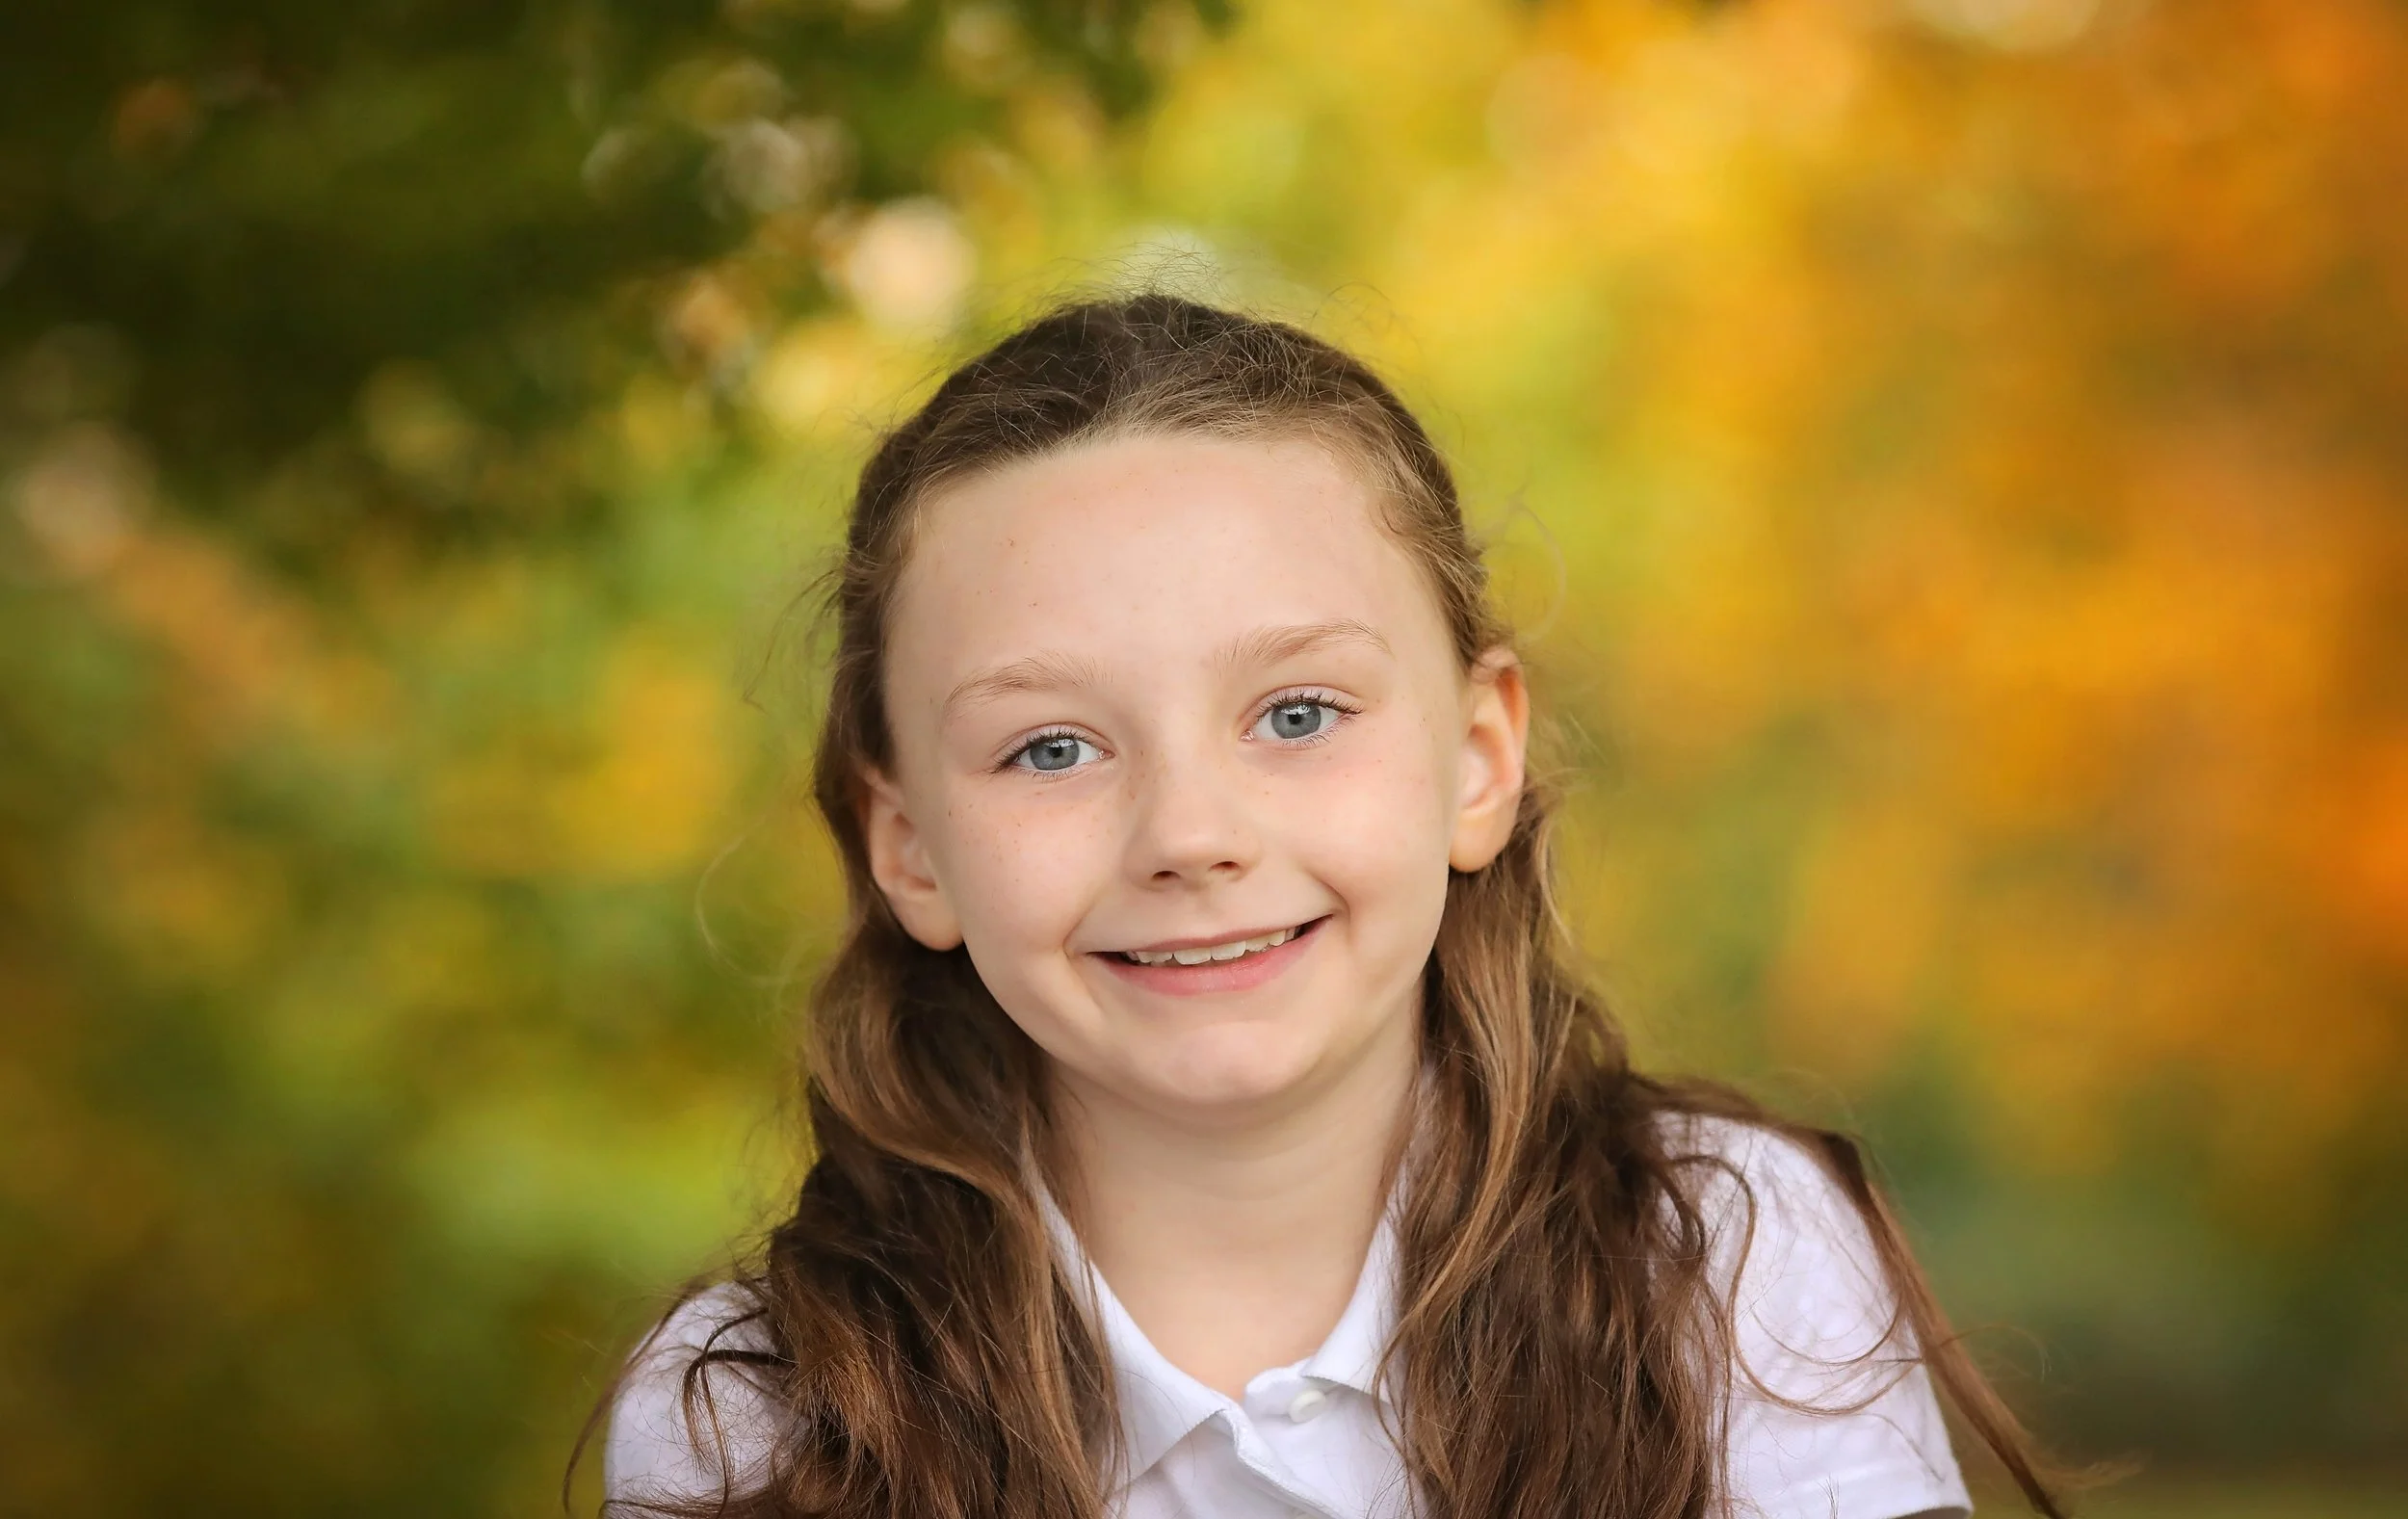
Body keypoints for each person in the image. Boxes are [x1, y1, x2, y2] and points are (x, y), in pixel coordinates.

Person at [583, 295, 2064, 1519]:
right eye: (1051, 749)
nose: (1191, 836)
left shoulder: (1721, 1260)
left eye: (1297, 714)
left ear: (1476, 761)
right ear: (909, 848)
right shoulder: (760, 1404)